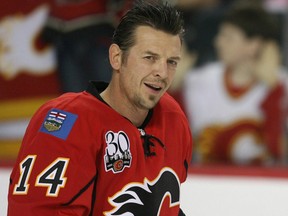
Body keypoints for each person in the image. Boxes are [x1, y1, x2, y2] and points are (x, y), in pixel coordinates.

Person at [8, 1, 193, 215]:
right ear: (116, 57)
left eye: (172, 62)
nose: (162, 72)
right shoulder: (66, 121)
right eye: (149, 58)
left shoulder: (172, 116)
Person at [183, 2, 288, 165]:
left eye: (228, 37)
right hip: (205, 182)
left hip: (263, 186)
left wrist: (274, 91)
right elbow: (178, 144)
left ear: (253, 45)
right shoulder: (200, 80)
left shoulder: (282, 85)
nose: (218, 42)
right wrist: (174, 89)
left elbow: (279, 153)